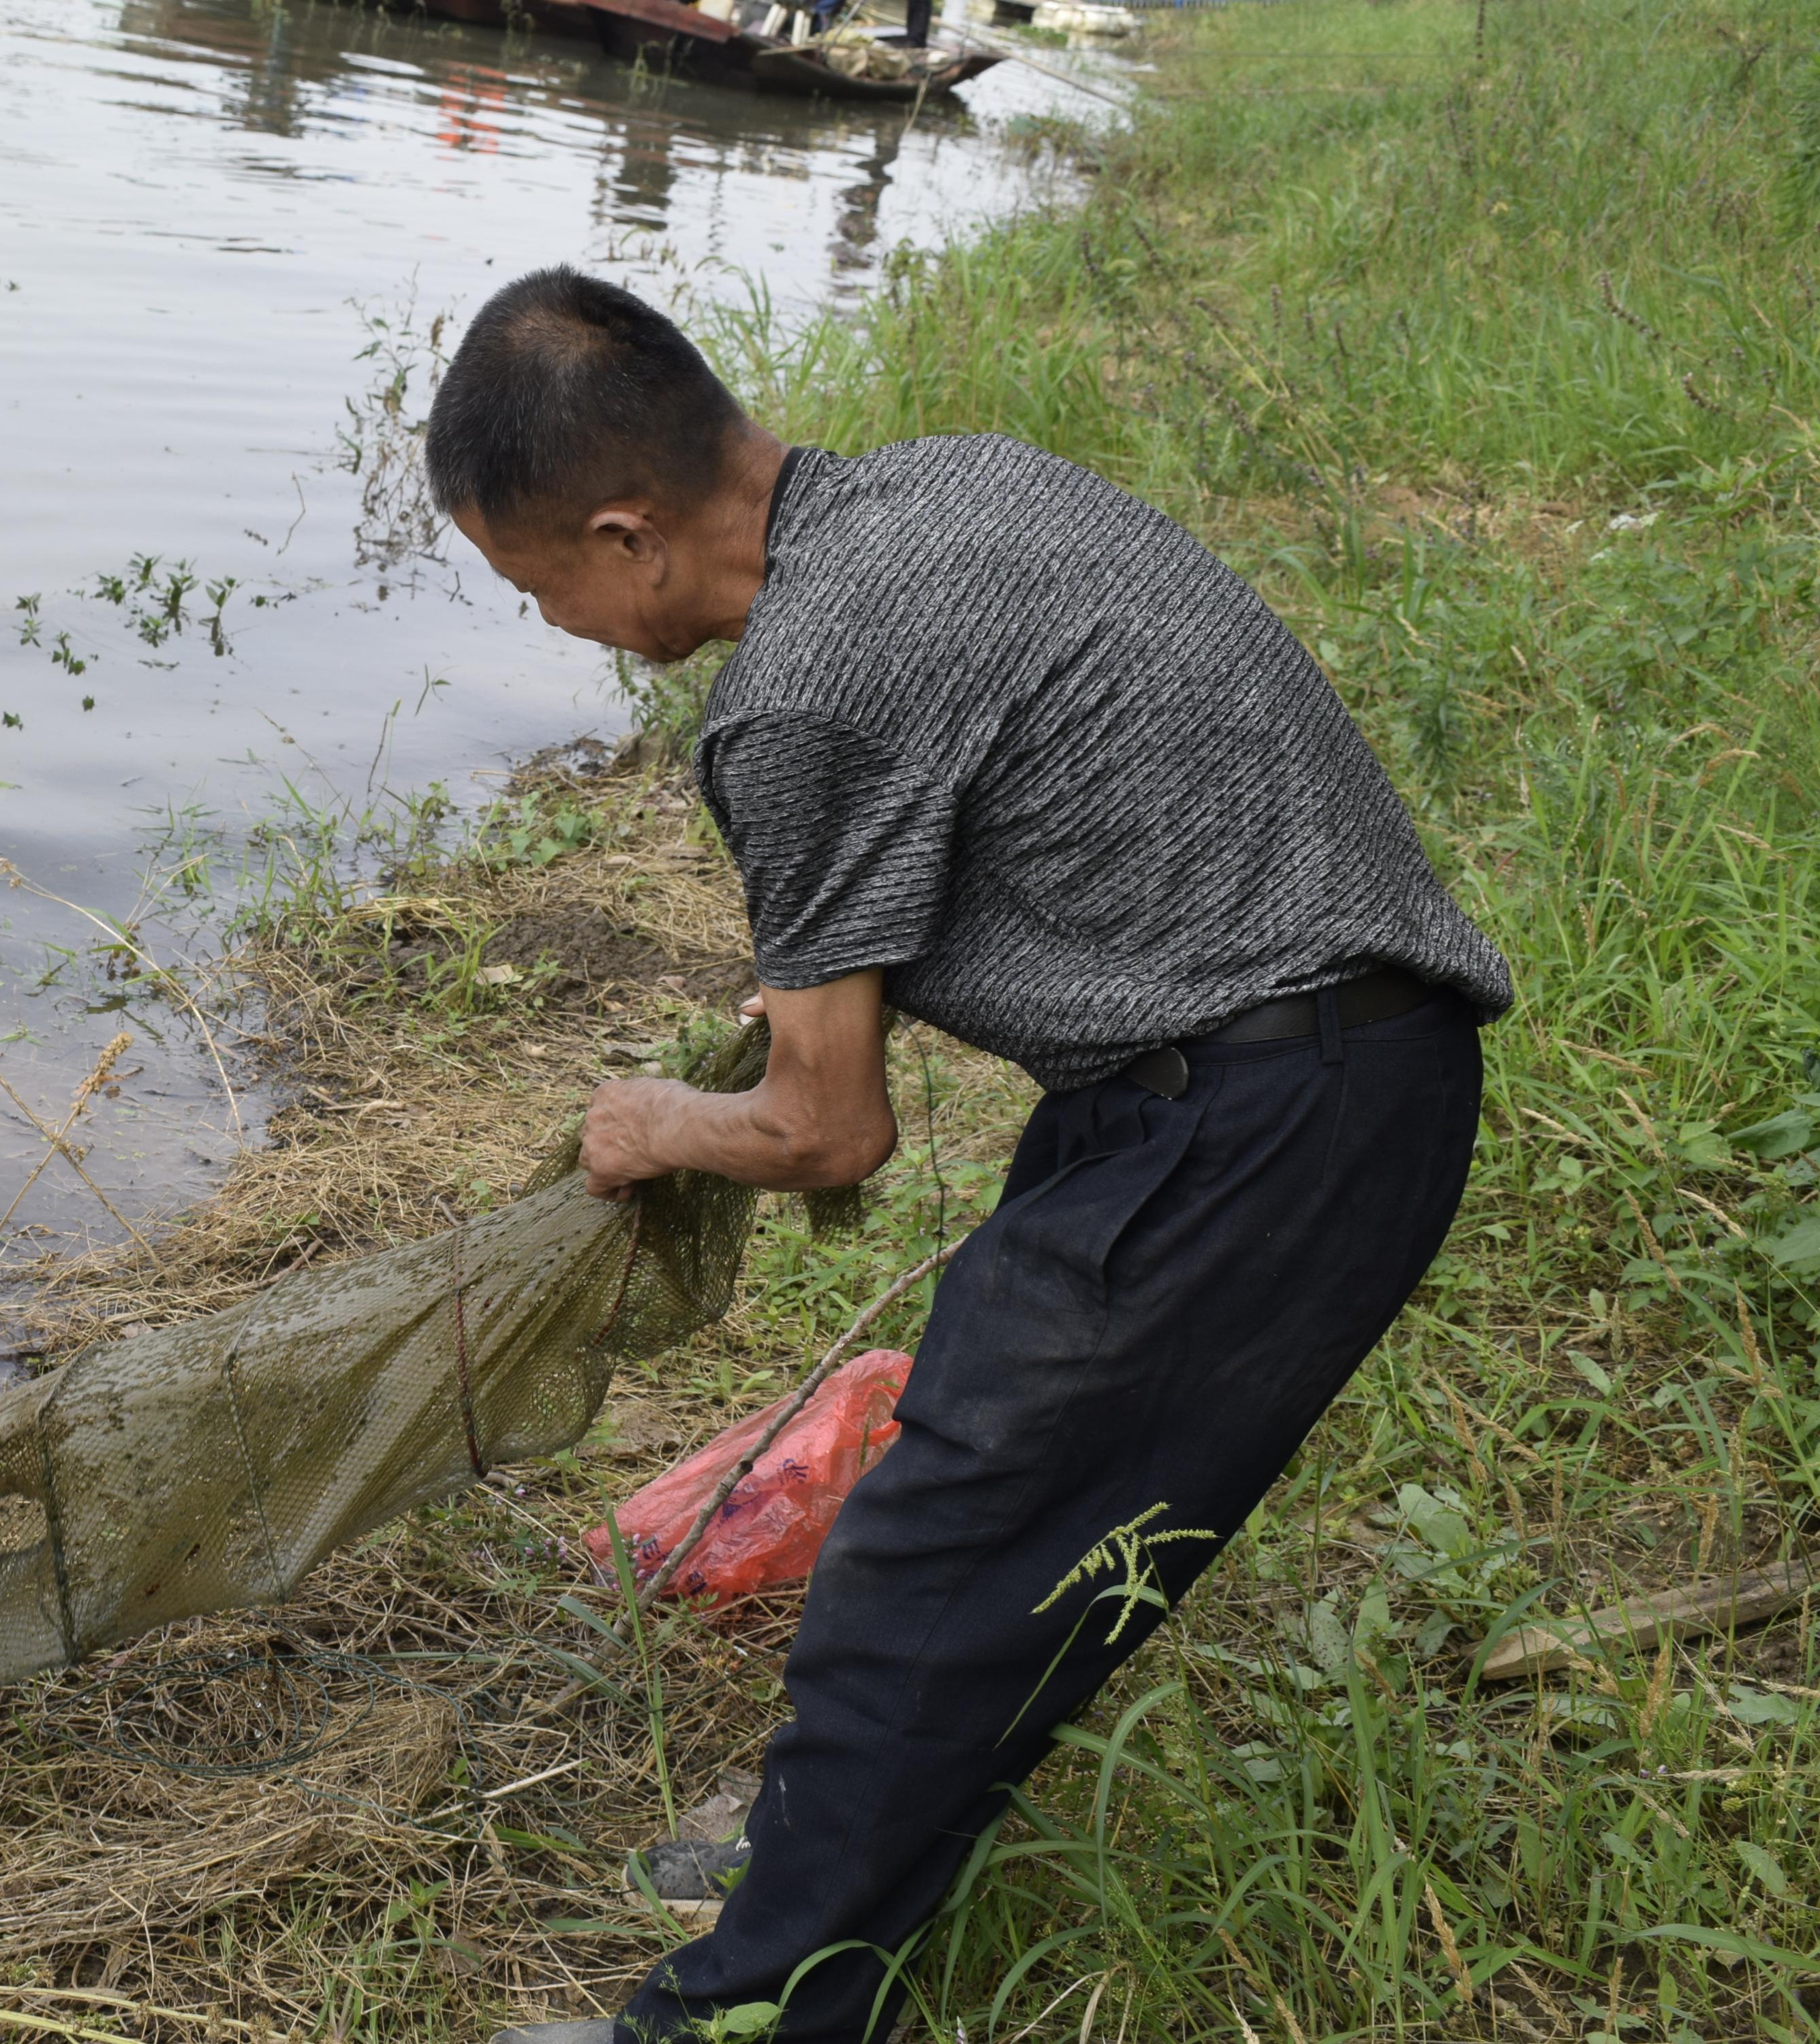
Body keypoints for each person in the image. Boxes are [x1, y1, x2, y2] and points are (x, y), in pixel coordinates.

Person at [425, 268, 1509, 2044]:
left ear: (627, 535)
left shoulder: (798, 698)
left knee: (927, 1566)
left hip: (1265, 1120)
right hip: (1300, 1068)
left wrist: (656, 1128)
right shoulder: (952, 482)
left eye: (536, 584)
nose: (551, 624)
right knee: (999, 1516)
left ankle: (737, 2014)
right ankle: (825, 1856)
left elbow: (828, 1131)